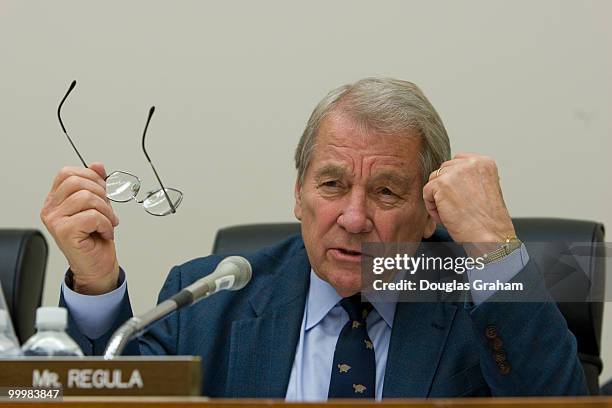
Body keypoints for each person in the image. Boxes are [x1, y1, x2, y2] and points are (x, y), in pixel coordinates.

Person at [40, 77, 588, 398]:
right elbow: (105, 398)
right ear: (298, 193)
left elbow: (558, 401)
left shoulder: (479, 298)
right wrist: (95, 284)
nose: (353, 218)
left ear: (429, 213)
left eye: (386, 193)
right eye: (332, 184)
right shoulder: (213, 296)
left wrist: (494, 245)